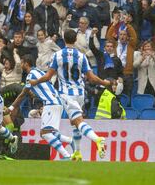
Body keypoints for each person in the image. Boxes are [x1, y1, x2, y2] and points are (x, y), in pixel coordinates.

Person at [29, 29, 110, 161]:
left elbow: (49, 76)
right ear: (76, 39)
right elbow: (91, 78)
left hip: (66, 94)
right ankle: (77, 153)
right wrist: (104, 82)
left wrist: (35, 81)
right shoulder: (81, 56)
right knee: (74, 123)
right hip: (80, 93)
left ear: (64, 39)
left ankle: (97, 139)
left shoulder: (58, 55)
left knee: (78, 121)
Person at [8, 54, 73, 160]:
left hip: (51, 104)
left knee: (45, 134)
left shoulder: (30, 76)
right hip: (55, 103)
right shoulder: (39, 72)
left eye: (22, 62)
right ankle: (70, 141)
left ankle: (66, 155)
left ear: (26, 63)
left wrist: (11, 108)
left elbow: (22, 94)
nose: (20, 65)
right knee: (50, 133)